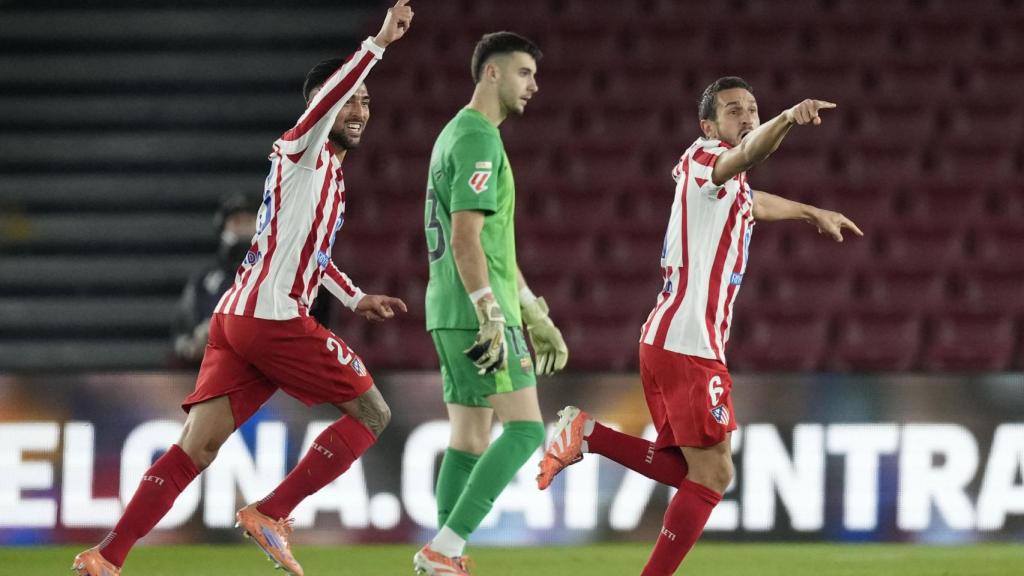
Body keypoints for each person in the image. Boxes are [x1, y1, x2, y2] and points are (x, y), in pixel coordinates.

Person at [72, 2, 414, 575]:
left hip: (240, 320)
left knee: (195, 448)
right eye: (351, 98)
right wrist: (377, 43)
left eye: (367, 103)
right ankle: (272, 512)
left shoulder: (329, 173)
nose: (359, 109)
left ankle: (107, 557)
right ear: (322, 104)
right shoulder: (301, 149)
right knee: (373, 414)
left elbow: (312, 255)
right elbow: (329, 99)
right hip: (274, 320)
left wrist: (356, 298)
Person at [536, 76, 863, 575]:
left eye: (753, 107)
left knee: (698, 472)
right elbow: (745, 157)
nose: (747, 115)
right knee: (713, 476)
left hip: (673, 341)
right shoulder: (705, 159)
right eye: (734, 110)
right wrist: (787, 119)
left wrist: (808, 211)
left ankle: (588, 434)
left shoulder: (723, 184)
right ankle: (589, 438)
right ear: (708, 125)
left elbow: (751, 200)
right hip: (687, 343)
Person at [413, 32, 570, 576]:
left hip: (450, 310)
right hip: (478, 313)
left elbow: (493, 246)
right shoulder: (479, 138)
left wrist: (532, 308)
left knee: (470, 436)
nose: (534, 85)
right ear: (492, 74)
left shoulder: (453, 134)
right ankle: (444, 548)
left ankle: (443, 556)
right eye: (525, 72)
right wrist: (493, 310)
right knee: (527, 431)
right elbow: (465, 238)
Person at [171, 193, 258, 365]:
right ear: (223, 228)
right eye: (236, 222)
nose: (242, 229)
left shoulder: (280, 272)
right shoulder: (204, 280)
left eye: (248, 222)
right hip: (217, 370)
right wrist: (194, 343)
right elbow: (181, 334)